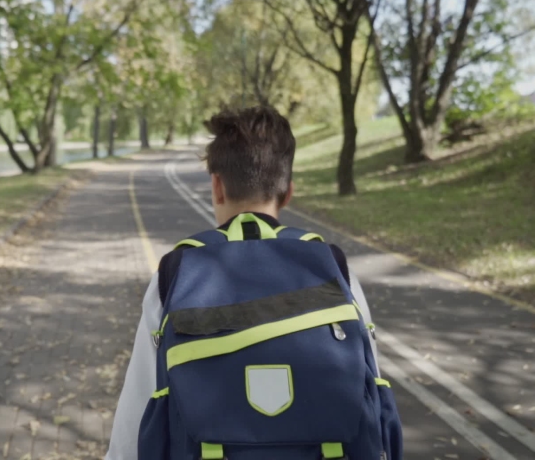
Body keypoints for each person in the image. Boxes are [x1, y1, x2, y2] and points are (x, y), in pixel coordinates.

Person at [105, 106, 402, 460]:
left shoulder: (175, 275)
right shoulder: (334, 268)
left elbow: (137, 410)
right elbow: (370, 383)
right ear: (288, 192)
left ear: (217, 186)